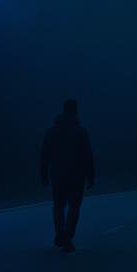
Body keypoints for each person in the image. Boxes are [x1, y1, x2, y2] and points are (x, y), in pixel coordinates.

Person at [40, 98, 95, 252]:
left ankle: (60, 233)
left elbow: (44, 154)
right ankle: (67, 237)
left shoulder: (52, 131)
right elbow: (87, 155)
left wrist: (44, 174)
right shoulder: (80, 131)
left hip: (57, 175)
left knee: (58, 206)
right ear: (75, 110)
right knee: (74, 207)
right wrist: (91, 176)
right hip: (76, 176)